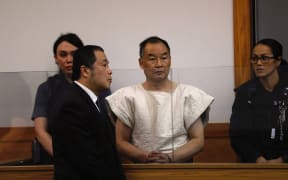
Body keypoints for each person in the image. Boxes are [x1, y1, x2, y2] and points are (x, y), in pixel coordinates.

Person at [106, 36, 214, 163]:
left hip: (181, 168)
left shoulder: (188, 94)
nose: (159, 64)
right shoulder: (127, 96)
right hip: (142, 169)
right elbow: (121, 142)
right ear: (141, 63)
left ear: (170, 60)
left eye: (164, 58)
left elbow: (198, 140)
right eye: (152, 59)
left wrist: (170, 157)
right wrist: (146, 157)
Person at [51, 45, 125, 179]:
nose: (110, 71)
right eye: (104, 65)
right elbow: (85, 161)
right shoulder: (71, 104)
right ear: (85, 71)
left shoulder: (98, 102)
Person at [230, 38, 288, 163]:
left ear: (277, 61)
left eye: (265, 58)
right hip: (255, 164)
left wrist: (283, 160)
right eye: (254, 58)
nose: (259, 63)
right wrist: (256, 158)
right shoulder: (245, 93)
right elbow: (237, 135)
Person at [31, 33, 84, 164]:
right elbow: (41, 131)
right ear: (55, 58)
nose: (69, 59)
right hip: (57, 160)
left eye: (74, 54)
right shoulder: (46, 88)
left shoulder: (97, 84)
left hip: (91, 159)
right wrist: (64, 159)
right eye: (63, 54)